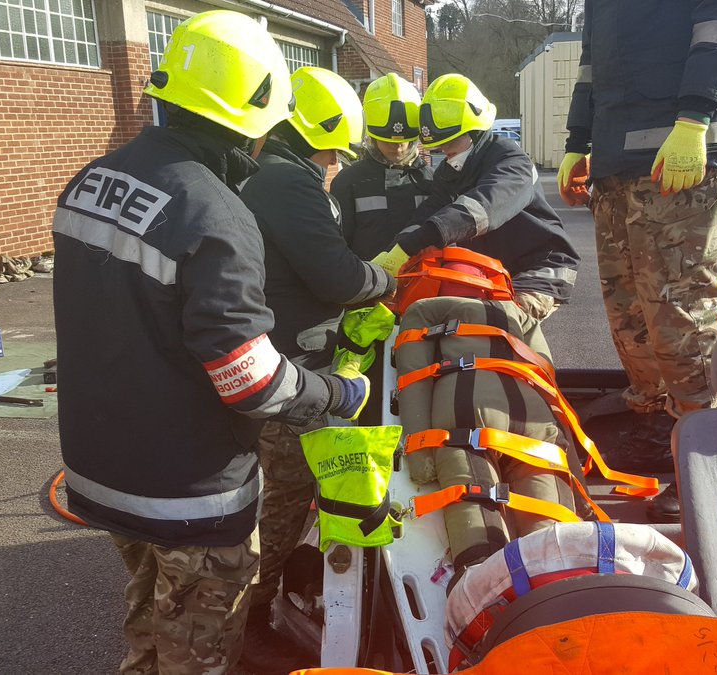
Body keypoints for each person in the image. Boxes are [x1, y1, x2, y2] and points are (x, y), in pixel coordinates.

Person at [52, 12, 370, 675]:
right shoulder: (217, 213)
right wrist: (336, 393)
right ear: (252, 122)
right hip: (188, 493)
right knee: (198, 649)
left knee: (151, 620)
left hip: (102, 467)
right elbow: (250, 380)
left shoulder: (91, 180)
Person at [554, 0, 717, 523]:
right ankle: (656, 423)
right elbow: (593, 67)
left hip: (681, 158)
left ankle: (707, 457)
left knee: (679, 312)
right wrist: (579, 141)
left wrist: (694, 119)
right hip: (617, 164)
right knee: (630, 313)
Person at [237, 66, 394, 670]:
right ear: (316, 138)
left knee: (278, 487)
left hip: (276, 351)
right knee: (288, 492)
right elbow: (336, 276)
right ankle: (251, 614)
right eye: (334, 152)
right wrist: (384, 280)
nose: (335, 164)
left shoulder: (265, 175)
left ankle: (265, 589)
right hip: (291, 367)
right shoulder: (288, 184)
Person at [371, 74, 580, 322]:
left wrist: (409, 247)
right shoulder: (449, 172)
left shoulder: (512, 162)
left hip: (538, 268)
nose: (445, 151)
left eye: (451, 142)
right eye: (440, 145)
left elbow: (479, 210)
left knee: (504, 322)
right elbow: (427, 214)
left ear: (476, 131)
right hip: (490, 270)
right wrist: (393, 252)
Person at [330, 72, 433, 260]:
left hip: (423, 277)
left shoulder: (432, 181)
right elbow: (338, 247)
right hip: (366, 277)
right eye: (388, 141)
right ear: (372, 136)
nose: (397, 147)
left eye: (404, 141)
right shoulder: (348, 183)